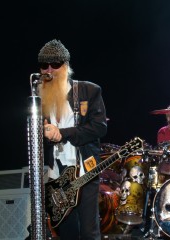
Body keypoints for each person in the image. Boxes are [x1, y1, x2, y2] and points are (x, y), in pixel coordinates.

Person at [37, 39, 107, 240]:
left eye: (55, 64)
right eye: (44, 65)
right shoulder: (39, 98)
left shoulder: (88, 91)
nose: (49, 70)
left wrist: (62, 133)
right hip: (57, 175)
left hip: (84, 171)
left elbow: (99, 127)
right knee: (67, 233)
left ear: (65, 66)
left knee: (88, 231)